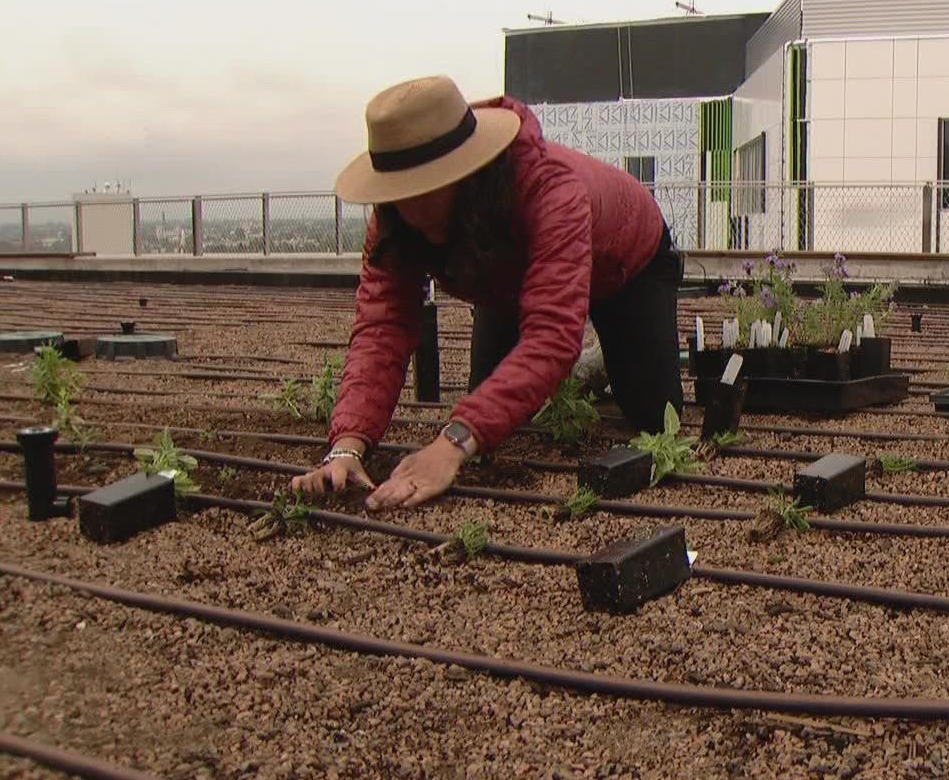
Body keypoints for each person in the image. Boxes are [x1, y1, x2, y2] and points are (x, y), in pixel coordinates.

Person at [291, 75, 683, 510]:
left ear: (466, 171)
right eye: (400, 193)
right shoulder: (395, 223)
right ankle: (577, 365)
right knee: (490, 406)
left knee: (655, 416)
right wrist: (348, 445)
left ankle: (590, 364)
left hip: (627, 265)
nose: (413, 209)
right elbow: (382, 325)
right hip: (510, 284)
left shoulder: (549, 190)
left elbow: (552, 333)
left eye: (426, 186)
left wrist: (450, 444)